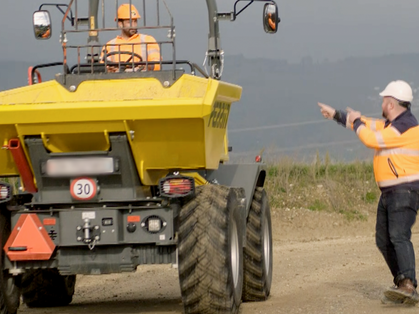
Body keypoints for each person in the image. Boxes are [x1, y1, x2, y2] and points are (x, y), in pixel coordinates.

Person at [318, 80, 419, 305]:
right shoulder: (393, 125)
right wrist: (337, 114)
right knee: (383, 240)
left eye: (384, 100)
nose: (381, 104)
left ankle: (409, 285)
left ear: (391, 104)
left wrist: (356, 123)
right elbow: (367, 124)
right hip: (391, 193)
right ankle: (403, 283)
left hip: (404, 192)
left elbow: (369, 138)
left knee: (399, 236)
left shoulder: (405, 127)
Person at [101, 4, 161, 71]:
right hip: (118, 80)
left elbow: (157, 64)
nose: (133, 25)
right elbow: (102, 69)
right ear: (120, 24)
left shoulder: (148, 41)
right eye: (129, 22)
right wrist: (110, 69)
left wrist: (145, 66)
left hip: (142, 80)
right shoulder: (109, 46)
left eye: (135, 21)